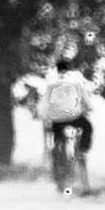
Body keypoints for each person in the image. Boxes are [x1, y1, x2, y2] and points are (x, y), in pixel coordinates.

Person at [40, 54, 95, 194]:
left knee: (57, 139)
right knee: (88, 127)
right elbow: (85, 100)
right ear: (69, 68)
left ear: (57, 69)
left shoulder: (51, 82)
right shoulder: (76, 80)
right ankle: (82, 150)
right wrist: (89, 108)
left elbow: (45, 103)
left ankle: (56, 156)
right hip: (74, 116)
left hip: (56, 119)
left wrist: (46, 117)